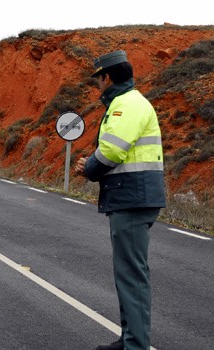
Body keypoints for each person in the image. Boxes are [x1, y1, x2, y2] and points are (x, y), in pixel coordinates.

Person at [75, 50, 166, 350]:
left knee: (131, 276)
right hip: (134, 196)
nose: (97, 86)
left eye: (98, 79)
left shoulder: (126, 104)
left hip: (132, 197)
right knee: (128, 274)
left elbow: (113, 150)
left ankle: (136, 345)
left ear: (108, 76)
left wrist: (89, 168)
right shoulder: (129, 102)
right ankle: (129, 340)